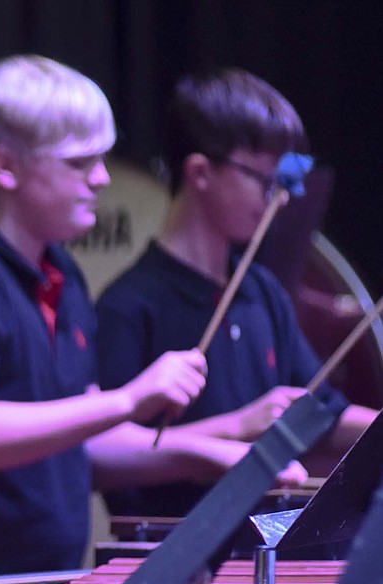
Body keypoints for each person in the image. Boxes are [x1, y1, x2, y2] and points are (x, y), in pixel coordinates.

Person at [0, 55, 300, 582]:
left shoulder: (62, 272)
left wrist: (220, 452)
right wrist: (128, 399)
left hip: (37, 581)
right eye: (79, 163)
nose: (101, 179)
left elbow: (89, 441)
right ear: (6, 167)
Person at [95, 68, 377, 516]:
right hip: (167, 558)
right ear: (201, 173)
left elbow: (319, 414)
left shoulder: (260, 291)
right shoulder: (128, 307)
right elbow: (102, 462)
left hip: (260, 546)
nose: (279, 198)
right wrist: (236, 429)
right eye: (266, 181)